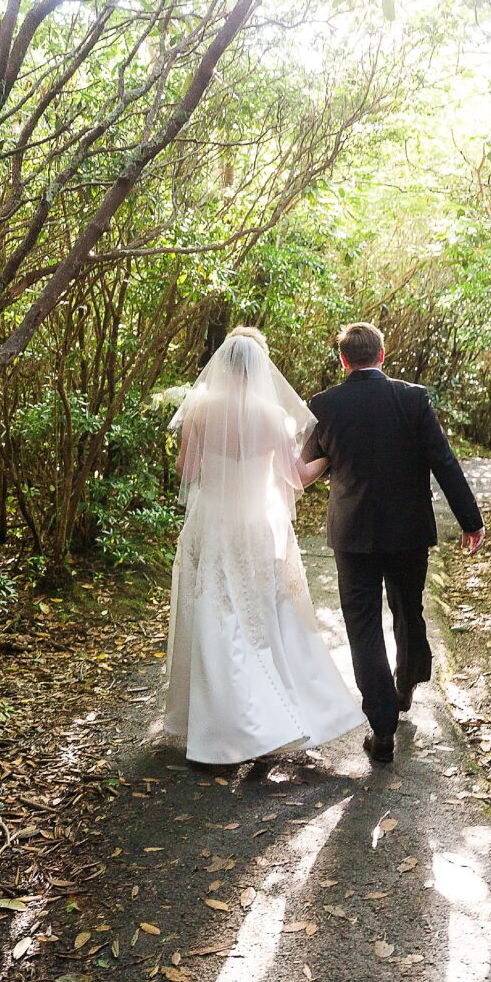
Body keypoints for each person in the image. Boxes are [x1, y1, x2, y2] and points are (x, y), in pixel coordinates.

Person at [163, 327, 363, 764]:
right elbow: (295, 478)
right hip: (255, 527)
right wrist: (331, 455)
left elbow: (186, 468)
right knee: (259, 619)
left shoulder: (198, 410)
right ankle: (262, 721)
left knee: (213, 616)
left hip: (210, 524)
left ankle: (215, 728)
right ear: (258, 367)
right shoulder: (272, 416)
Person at [303, 322, 484, 764]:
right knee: (407, 608)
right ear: (382, 355)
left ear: (343, 360)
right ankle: (405, 686)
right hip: (407, 531)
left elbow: (307, 463)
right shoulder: (413, 398)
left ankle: (382, 725)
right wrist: (470, 520)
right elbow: (443, 460)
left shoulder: (325, 405)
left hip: (352, 533)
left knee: (362, 626)